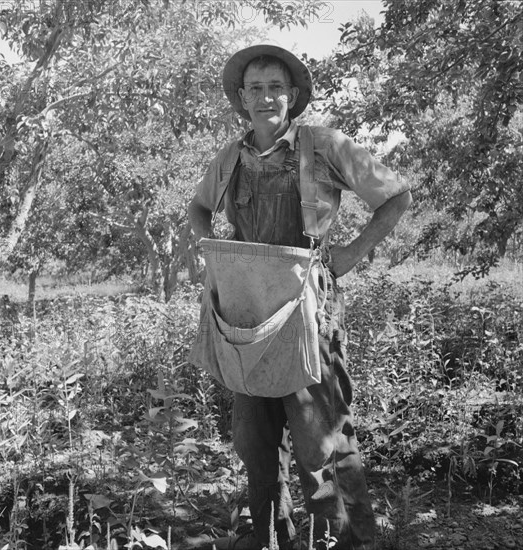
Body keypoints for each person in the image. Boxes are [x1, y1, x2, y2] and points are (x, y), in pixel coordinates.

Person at [188, 45, 412, 550]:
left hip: (310, 308)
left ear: (292, 96)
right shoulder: (229, 158)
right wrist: (211, 256)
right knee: (252, 439)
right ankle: (273, 537)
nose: (265, 97)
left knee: (320, 438)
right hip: (246, 314)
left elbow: (396, 196)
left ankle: (354, 540)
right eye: (255, 89)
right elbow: (199, 209)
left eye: (275, 88)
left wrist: (352, 251)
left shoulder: (325, 145)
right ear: (241, 98)